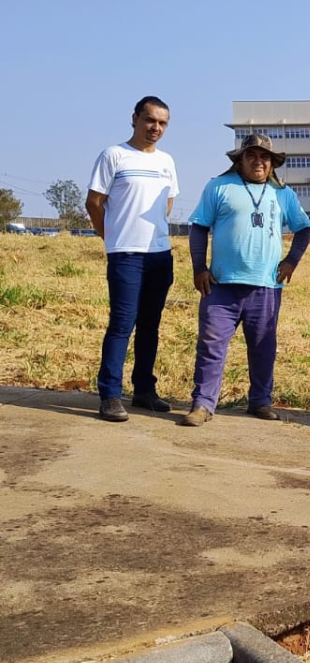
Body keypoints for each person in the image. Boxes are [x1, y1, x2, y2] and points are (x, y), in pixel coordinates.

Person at [180, 134, 310, 426]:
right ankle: (202, 404)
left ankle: (260, 402)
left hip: (265, 286)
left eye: (264, 157)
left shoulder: (283, 194)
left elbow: (304, 228)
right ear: (239, 160)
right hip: (221, 286)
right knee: (211, 345)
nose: (258, 161)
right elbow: (199, 227)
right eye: (251, 156)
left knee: (263, 347)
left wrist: (291, 261)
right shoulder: (219, 186)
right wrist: (199, 267)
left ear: (272, 163)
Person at [85, 96, 179, 422]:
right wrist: (108, 235)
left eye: (162, 123)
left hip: (159, 255)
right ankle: (110, 394)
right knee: (122, 324)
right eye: (150, 120)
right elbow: (94, 202)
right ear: (135, 118)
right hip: (125, 253)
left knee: (150, 325)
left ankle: (144, 390)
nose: (156, 128)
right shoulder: (114, 155)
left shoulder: (167, 161)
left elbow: (166, 204)